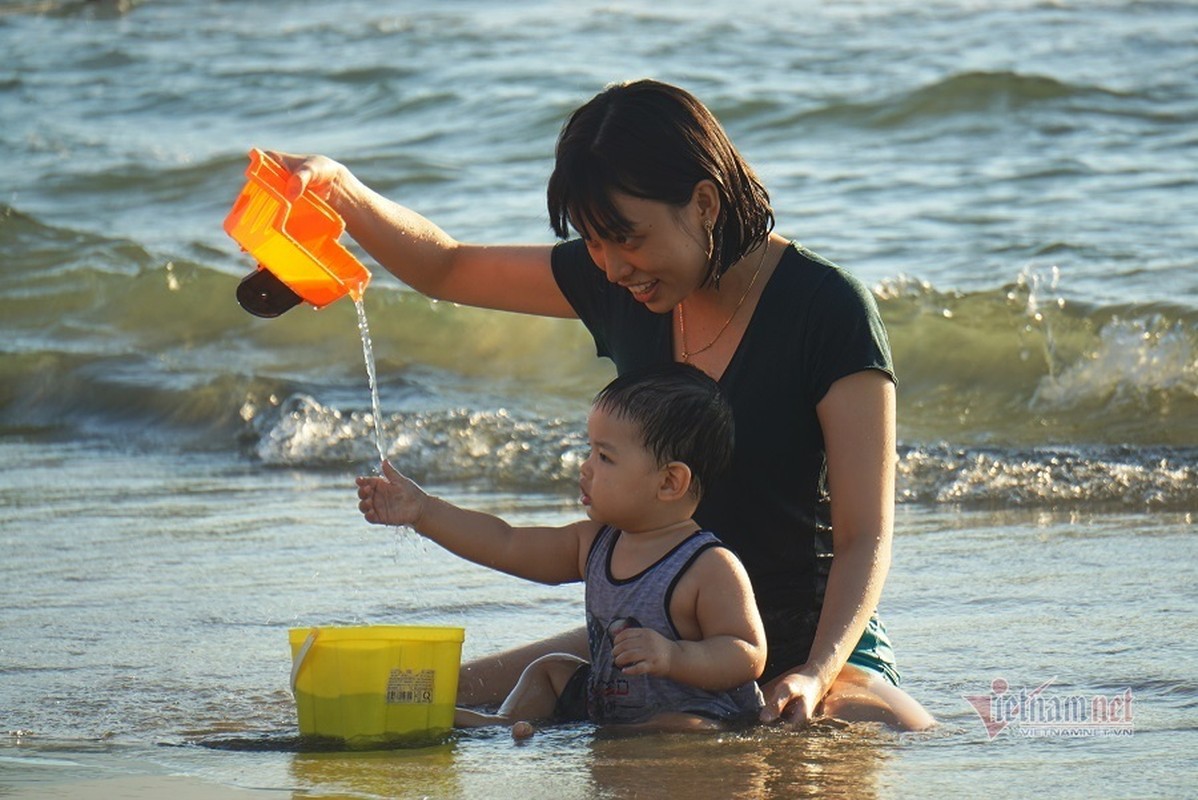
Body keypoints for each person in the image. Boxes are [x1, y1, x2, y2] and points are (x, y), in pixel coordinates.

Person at [271, 78, 934, 730]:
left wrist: (816, 674)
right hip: (651, 643)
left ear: (704, 203)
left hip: (814, 647)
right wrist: (341, 191)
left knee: (890, 733)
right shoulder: (620, 285)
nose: (613, 268)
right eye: (593, 241)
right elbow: (445, 267)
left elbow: (863, 536)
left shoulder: (828, 309)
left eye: (629, 239)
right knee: (420, 696)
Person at [357, 363, 767, 735]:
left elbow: (747, 652)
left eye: (605, 457)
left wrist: (675, 656)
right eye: (590, 449)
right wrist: (423, 511)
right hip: (612, 703)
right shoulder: (594, 543)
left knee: (683, 727)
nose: (585, 467)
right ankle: (505, 724)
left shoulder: (707, 566)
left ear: (668, 483)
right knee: (549, 669)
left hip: (695, 712)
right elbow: (506, 542)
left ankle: (587, 733)